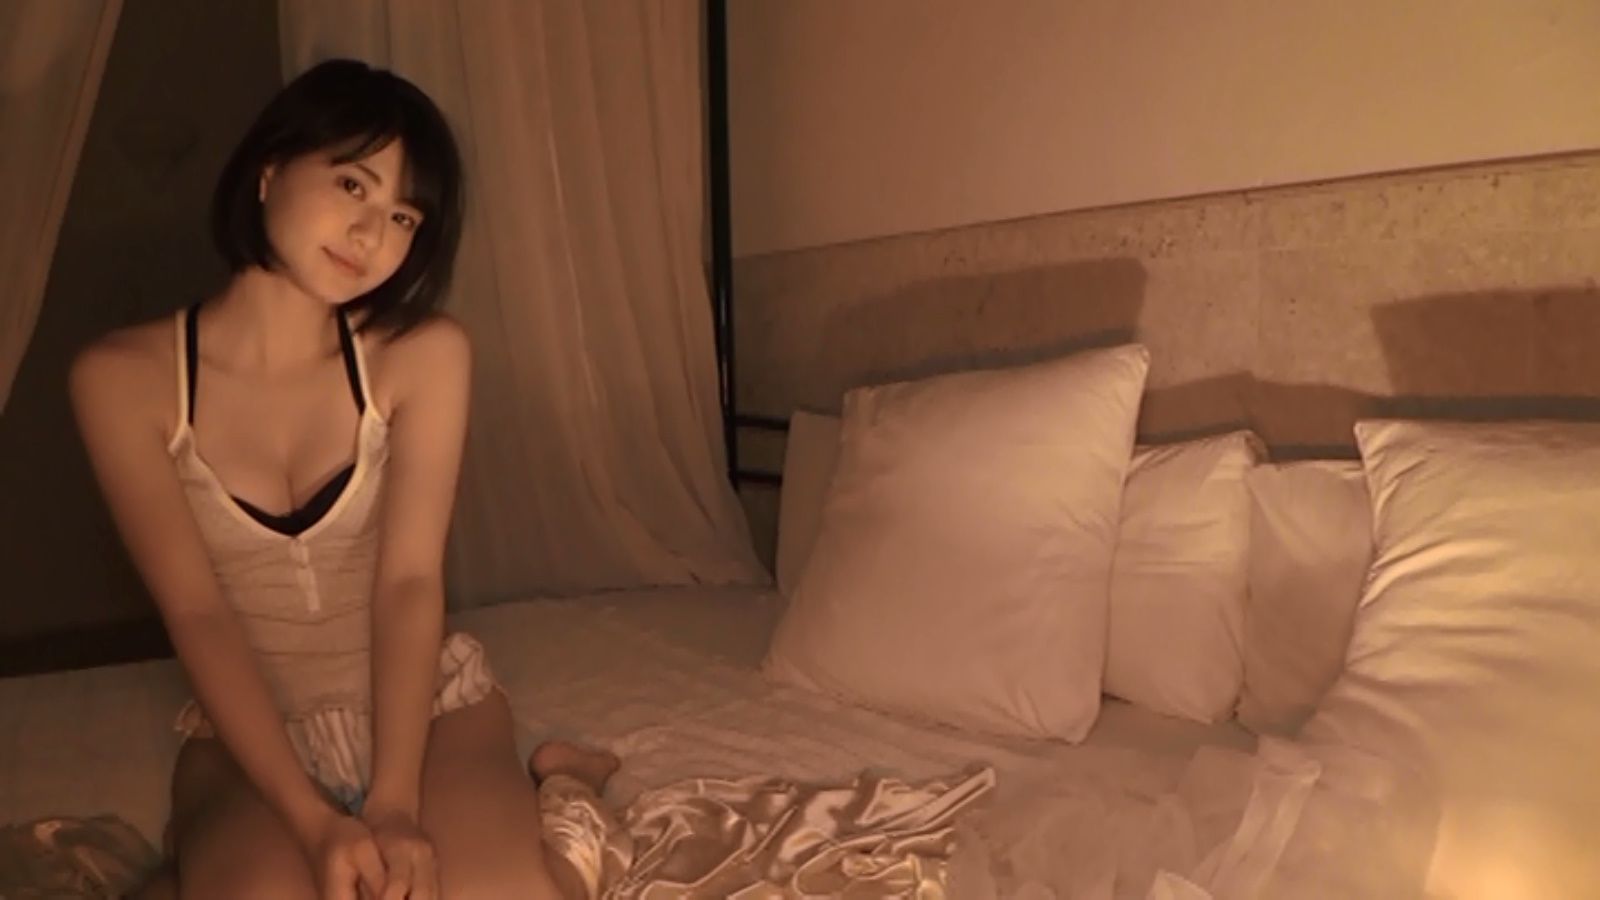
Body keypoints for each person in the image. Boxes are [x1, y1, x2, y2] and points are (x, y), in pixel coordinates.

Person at [69, 59, 619, 900]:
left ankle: (569, 781)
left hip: (425, 712)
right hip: (249, 731)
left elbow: (408, 582)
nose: (371, 235)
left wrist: (393, 805)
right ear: (268, 170)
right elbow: (197, 611)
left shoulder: (424, 355)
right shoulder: (121, 379)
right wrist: (311, 819)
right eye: (353, 185)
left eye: (403, 216)